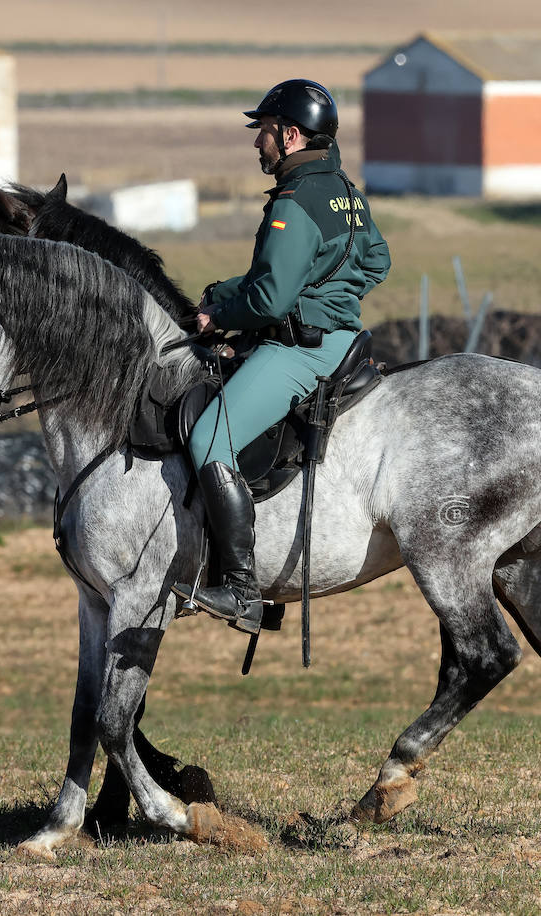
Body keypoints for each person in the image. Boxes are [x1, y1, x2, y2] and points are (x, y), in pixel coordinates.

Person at [172, 79, 391, 634]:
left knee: (208, 439)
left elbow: (270, 297)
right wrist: (319, 294)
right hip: (344, 338)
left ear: (290, 136)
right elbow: (377, 261)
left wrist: (219, 315)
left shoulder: (293, 203)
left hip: (299, 351)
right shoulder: (342, 189)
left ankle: (243, 589)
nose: (257, 144)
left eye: (263, 132)